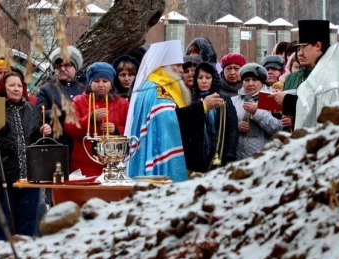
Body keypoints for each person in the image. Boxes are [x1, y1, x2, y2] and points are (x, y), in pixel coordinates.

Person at [125, 41, 223, 181]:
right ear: (164, 66)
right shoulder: (158, 89)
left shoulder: (160, 85)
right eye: (178, 65)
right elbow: (170, 122)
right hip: (158, 153)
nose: (182, 70)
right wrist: (202, 106)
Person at [0, 71, 50, 240]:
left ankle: (24, 254)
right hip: (4, 175)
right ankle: (4, 255)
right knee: (2, 221)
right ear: (3, 88)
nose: (16, 89)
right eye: (11, 85)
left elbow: (38, 142)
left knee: (27, 220)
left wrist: (45, 132)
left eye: (19, 85)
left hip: (29, 175)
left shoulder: (33, 110)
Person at [274, 20, 339, 130]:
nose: (300, 53)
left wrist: (287, 101)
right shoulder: (325, 66)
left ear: (318, 45)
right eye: (298, 49)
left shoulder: (330, 74)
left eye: (303, 47)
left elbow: (322, 110)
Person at [64, 62, 130, 177]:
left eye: (105, 81)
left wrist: (116, 130)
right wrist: (89, 119)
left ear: (111, 84)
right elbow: (70, 128)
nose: (101, 85)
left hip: (115, 165)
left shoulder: (123, 104)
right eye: (96, 81)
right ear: (90, 83)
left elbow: (132, 130)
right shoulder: (78, 101)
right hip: (86, 165)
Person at [185, 62, 238, 173]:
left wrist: (230, 155)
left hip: (219, 154)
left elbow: (232, 129)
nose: (204, 81)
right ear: (196, 80)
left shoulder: (224, 100)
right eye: (200, 78)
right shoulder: (189, 100)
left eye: (208, 77)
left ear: (214, 79)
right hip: (195, 158)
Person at [232, 63, 288, 159]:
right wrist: (236, 127)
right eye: (247, 80)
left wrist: (257, 112)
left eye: (255, 80)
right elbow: (224, 127)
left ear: (262, 81)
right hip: (237, 156)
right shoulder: (233, 101)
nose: (250, 83)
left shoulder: (272, 98)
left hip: (264, 156)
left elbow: (277, 128)